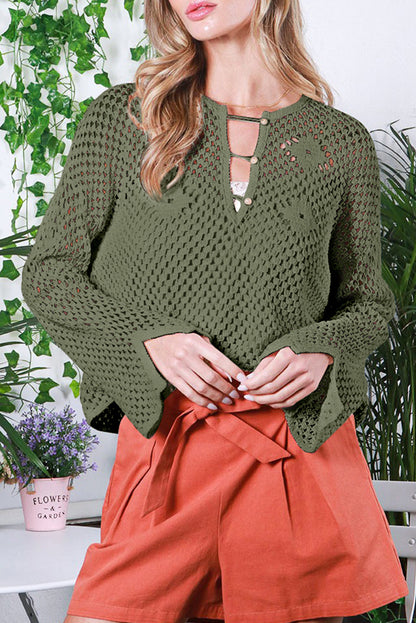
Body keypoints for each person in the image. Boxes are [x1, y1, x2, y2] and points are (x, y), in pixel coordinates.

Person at [20, 0, 409, 622]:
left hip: (296, 451)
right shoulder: (124, 120)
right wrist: (146, 340)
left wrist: (323, 349)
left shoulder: (341, 143)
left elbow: (367, 301)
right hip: (170, 450)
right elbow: (49, 275)